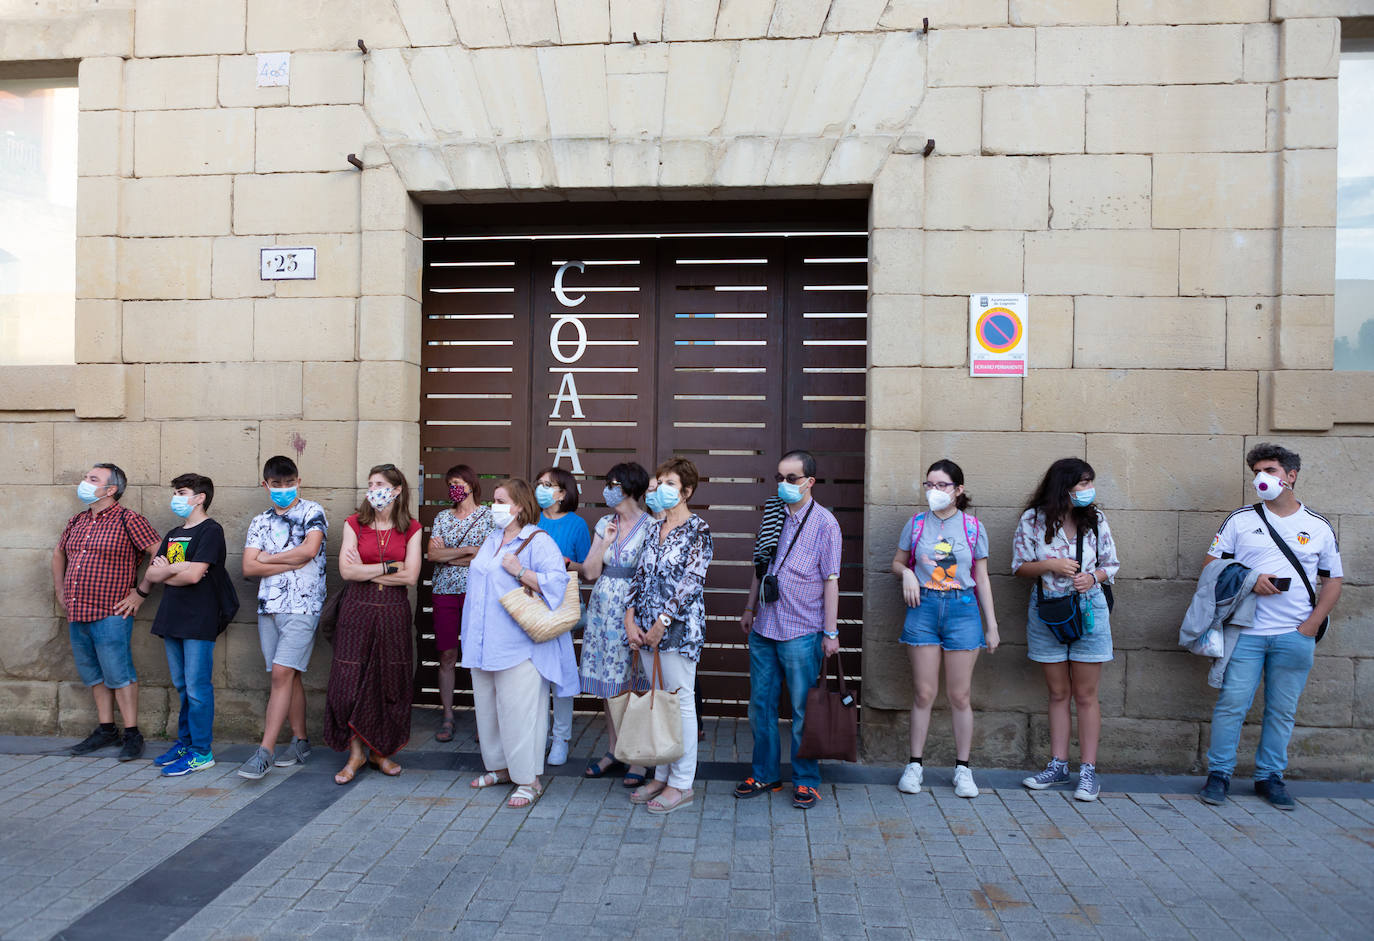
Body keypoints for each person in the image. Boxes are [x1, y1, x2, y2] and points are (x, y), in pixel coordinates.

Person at [1197, 443, 1343, 810]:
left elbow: (1333, 581)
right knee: (1232, 704)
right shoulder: (1240, 520)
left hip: (1295, 635)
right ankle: (1219, 775)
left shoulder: (1317, 526)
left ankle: (1270, 778)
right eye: (1257, 472)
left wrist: (1310, 626)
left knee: (1282, 709)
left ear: (1291, 476)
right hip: (1245, 633)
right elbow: (1210, 566)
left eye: (1270, 471)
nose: (1262, 478)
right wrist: (1249, 578)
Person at [734, 450, 841, 811]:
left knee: (801, 711)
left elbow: (831, 581)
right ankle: (764, 773)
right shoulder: (772, 514)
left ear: (809, 482)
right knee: (760, 706)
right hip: (765, 626)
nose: (783, 484)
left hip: (802, 630)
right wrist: (749, 607)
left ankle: (806, 780)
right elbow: (759, 565)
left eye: (791, 478)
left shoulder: (826, 524)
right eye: (779, 477)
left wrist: (830, 632)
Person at [462, 479, 577, 808]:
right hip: (484, 642)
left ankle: (529, 779)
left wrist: (521, 571)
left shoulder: (538, 541)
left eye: (500, 501)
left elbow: (557, 585)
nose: (493, 507)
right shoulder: (493, 539)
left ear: (518, 506)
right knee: (488, 709)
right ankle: (500, 768)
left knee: (521, 713)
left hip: (520, 645)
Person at [1013, 458, 1120, 802]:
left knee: (1086, 695)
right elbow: (1019, 567)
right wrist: (1050, 565)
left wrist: (1093, 577)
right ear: (1064, 486)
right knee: (1058, 693)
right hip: (1048, 611)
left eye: (1090, 482)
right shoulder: (1033, 520)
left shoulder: (1096, 520)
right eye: (1082, 483)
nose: (1088, 490)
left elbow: (1111, 565)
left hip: (1089, 611)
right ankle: (1058, 765)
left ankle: (1088, 771)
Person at [890, 460, 999, 799]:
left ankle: (963, 769)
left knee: (959, 695)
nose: (934, 492)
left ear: (958, 490)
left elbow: (981, 577)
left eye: (942, 485)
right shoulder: (916, 524)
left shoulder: (972, 527)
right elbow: (897, 561)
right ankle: (914, 765)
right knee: (923, 693)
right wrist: (907, 573)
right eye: (929, 485)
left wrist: (991, 625)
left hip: (962, 610)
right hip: (923, 608)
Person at [53, 463, 161, 761]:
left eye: (92, 479)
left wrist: (140, 593)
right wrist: (60, 590)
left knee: (119, 673)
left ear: (111, 489)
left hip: (111, 611)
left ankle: (132, 733)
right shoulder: (77, 520)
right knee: (94, 674)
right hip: (77, 611)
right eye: (86, 476)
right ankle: (105, 729)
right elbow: (59, 553)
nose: (84, 482)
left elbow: (162, 551)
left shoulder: (130, 520)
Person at [625, 458, 713, 815]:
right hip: (645, 632)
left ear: (687, 491)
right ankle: (661, 774)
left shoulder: (699, 530)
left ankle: (681, 783)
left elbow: (692, 581)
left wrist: (663, 621)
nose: (661, 488)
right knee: (660, 703)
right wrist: (631, 618)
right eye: (659, 481)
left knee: (680, 705)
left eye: (670, 483)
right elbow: (639, 575)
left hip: (678, 632)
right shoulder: (651, 527)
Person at [326, 464, 423, 784]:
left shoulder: (412, 528)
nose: (373, 489)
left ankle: (381, 751)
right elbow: (347, 572)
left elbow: (410, 575)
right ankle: (355, 754)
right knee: (350, 681)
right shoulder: (355, 523)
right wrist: (389, 567)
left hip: (393, 611)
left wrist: (370, 570)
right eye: (370, 484)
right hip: (356, 610)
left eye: (379, 483)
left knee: (389, 681)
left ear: (396, 490)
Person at [238, 456, 328, 780]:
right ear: (266, 485)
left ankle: (265, 752)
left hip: (303, 608)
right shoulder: (259, 521)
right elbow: (248, 567)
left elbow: (309, 551)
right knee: (289, 677)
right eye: (276, 485)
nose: (284, 489)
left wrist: (269, 558)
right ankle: (301, 741)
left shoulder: (312, 512)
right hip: (269, 609)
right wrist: (287, 560)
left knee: (280, 675)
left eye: (289, 483)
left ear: (298, 481)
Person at [139, 474, 228, 776]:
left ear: (200, 497)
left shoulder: (211, 531)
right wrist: (176, 569)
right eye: (176, 492)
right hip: (172, 617)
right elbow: (152, 574)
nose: (176, 497)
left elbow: (194, 576)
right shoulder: (175, 532)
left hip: (199, 619)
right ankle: (186, 742)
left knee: (197, 688)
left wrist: (170, 570)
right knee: (182, 686)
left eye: (182, 492)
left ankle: (202, 752)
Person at [579, 462, 653, 786]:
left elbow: (650, 575)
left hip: (632, 610)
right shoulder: (604, 523)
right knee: (610, 686)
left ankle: (637, 756)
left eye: (613, 484)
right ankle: (613, 749)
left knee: (634, 684)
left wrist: (637, 615)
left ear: (628, 488)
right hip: (601, 607)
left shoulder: (652, 526)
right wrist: (605, 543)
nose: (608, 490)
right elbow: (590, 572)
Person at [426, 464, 493, 743]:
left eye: (459, 482)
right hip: (445, 592)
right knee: (447, 654)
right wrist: (466, 551)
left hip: (477, 592)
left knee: (480, 656)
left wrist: (448, 555)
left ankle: (486, 719)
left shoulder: (488, 516)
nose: (455, 487)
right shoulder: (443, 517)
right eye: (451, 482)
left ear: (472, 484)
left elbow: (487, 558)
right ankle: (448, 715)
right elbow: (432, 555)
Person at [534, 466, 591, 766]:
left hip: (560, 609)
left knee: (562, 676)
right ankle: (536, 736)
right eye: (539, 483)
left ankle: (561, 738)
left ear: (563, 493)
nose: (541, 489)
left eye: (548, 485)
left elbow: (589, 569)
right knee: (535, 678)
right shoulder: (531, 519)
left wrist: (569, 564)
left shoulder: (577, 525)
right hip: (530, 607)